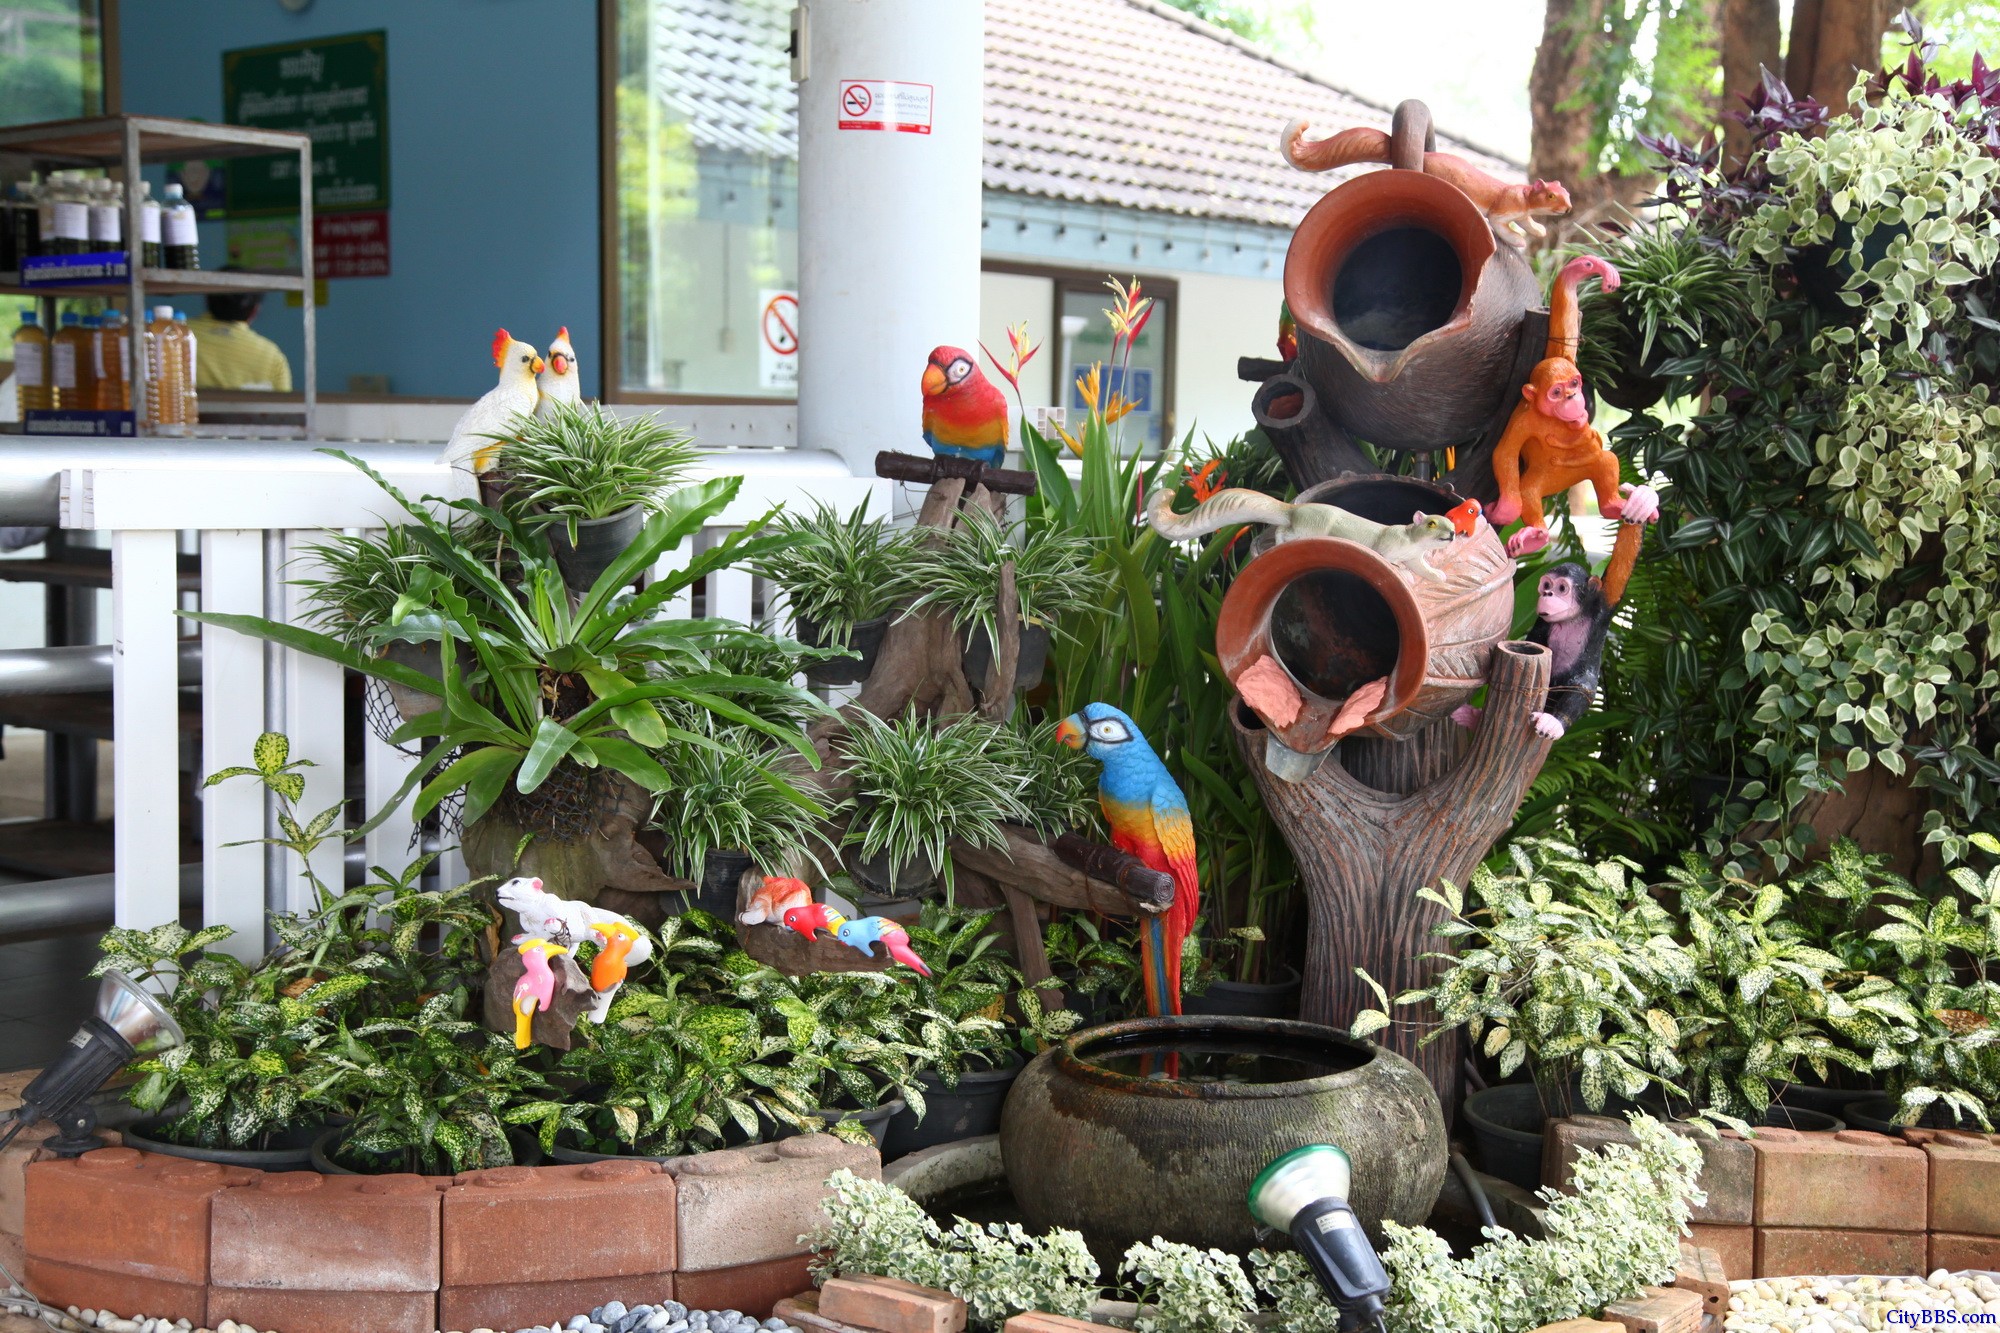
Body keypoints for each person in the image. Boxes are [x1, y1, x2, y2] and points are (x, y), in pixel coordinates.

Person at [187, 289, 292, 392]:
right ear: (255, 311)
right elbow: (285, 402)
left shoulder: (179, 334)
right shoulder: (273, 357)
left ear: (207, 300)